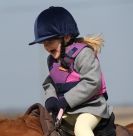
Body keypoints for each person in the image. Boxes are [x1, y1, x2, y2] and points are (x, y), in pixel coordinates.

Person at [29, 6, 115, 136]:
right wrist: (51, 98)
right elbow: (50, 82)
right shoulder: (51, 60)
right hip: (68, 110)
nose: (46, 46)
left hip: (92, 108)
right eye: (43, 43)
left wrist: (66, 100)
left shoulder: (84, 54)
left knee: (81, 129)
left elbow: (92, 82)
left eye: (50, 41)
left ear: (67, 37)